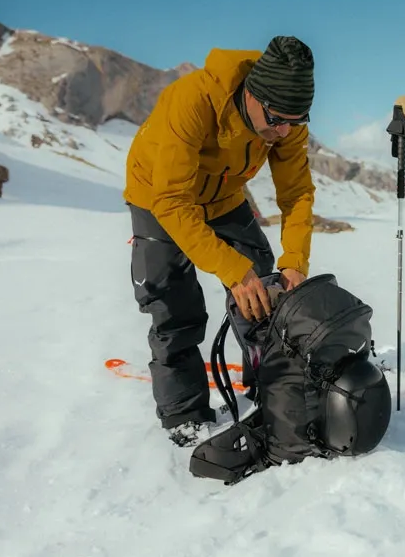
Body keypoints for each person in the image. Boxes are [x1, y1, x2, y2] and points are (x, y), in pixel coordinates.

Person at [122, 35, 317, 447]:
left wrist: (294, 260)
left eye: (295, 122)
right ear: (252, 96)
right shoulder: (192, 99)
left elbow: (296, 192)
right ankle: (185, 418)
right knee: (173, 307)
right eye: (278, 119)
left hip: (225, 199)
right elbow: (172, 199)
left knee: (267, 293)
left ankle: (271, 389)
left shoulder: (287, 121)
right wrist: (232, 271)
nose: (283, 131)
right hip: (159, 198)